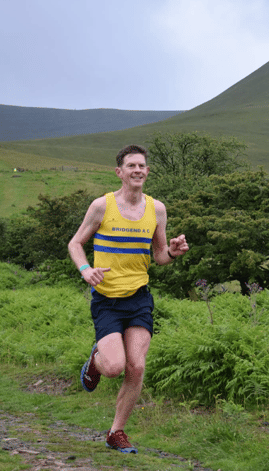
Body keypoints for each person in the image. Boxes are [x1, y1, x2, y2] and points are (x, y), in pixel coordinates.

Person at [68, 144, 189, 454]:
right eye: (131, 165)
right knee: (114, 368)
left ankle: (116, 432)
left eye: (142, 166)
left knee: (136, 367)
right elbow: (76, 243)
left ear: (147, 172)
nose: (138, 170)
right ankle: (97, 361)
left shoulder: (156, 209)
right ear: (119, 172)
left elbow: (159, 255)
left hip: (139, 299)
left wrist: (173, 252)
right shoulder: (101, 206)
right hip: (106, 299)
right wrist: (85, 269)